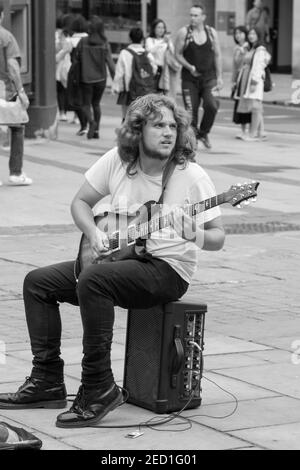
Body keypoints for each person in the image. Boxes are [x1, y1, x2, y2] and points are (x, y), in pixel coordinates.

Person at [0, 94, 225, 428]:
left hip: (167, 270)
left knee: (94, 281)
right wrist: (93, 234)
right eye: (158, 125)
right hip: (121, 259)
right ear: (137, 130)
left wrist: (195, 234)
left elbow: (218, 237)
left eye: (173, 126)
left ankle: (97, 386)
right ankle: (47, 381)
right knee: (38, 283)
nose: (167, 132)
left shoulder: (190, 175)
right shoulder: (118, 161)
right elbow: (80, 203)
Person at [175, 4, 223, 150]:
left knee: (212, 105)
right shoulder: (184, 32)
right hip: (190, 79)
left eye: (196, 15)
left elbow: (217, 54)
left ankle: (203, 133)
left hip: (209, 78)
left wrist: (220, 77)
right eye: (191, 15)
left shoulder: (211, 32)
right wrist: (190, 67)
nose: (192, 18)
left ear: (203, 17)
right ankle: (193, 138)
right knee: (191, 111)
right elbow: (177, 54)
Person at [0, 4, 32, 187]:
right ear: (2, 15)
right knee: (17, 127)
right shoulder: (6, 37)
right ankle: (15, 172)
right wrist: (21, 92)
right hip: (5, 91)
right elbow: (12, 67)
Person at [74, 16, 115, 140]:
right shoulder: (104, 43)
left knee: (86, 104)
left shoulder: (83, 41)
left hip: (86, 78)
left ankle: (91, 122)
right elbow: (110, 62)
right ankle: (96, 131)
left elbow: (76, 59)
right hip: (101, 79)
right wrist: (115, 79)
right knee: (96, 104)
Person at [112, 27, 157, 121]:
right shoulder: (147, 54)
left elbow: (119, 73)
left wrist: (116, 87)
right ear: (142, 39)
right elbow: (154, 69)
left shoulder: (124, 53)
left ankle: (126, 134)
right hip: (144, 89)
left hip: (128, 90)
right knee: (142, 118)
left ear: (129, 38)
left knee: (126, 118)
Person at [235, 27, 271, 141]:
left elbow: (258, 66)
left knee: (256, 107)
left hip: (254, 80)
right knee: (255, 106)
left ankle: (252, 134)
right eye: (250, 33)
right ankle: (259, 133)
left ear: (259, 36)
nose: (251, 36)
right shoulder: (252, 48)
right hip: (249, 78)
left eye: (254, 34)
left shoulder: (260, 50)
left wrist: (254, 82)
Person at [145, 19, 180, 95]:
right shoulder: (150, 40)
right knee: (153, 92)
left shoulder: (167, 41)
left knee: (164, 93)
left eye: (163, 28)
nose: (161, 30)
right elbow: (150, 50)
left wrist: (169, 43)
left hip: (165, 70)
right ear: (154, 28)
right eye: (159, 27)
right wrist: (162, 42)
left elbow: (174, 53)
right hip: (154, 69)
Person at [231, 26, 251, 139]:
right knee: (239, 104)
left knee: (247, 104)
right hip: (239, 79)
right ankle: (243, 130)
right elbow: (234, 66)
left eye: (240, 33)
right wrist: (233, 81)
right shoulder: (236, 48)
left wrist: (244, 52)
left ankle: (250, 130)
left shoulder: (249, 47)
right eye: (236, 33)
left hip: (247, 78)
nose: (238, 35)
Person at [55, 17, 72, 122]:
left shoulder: (59, 36)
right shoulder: (71, 37)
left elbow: (57, 51)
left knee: (60, 90)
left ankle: (62, 112)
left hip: (60, 66)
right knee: (68, 91)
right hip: (70, 66)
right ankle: (74, 115)